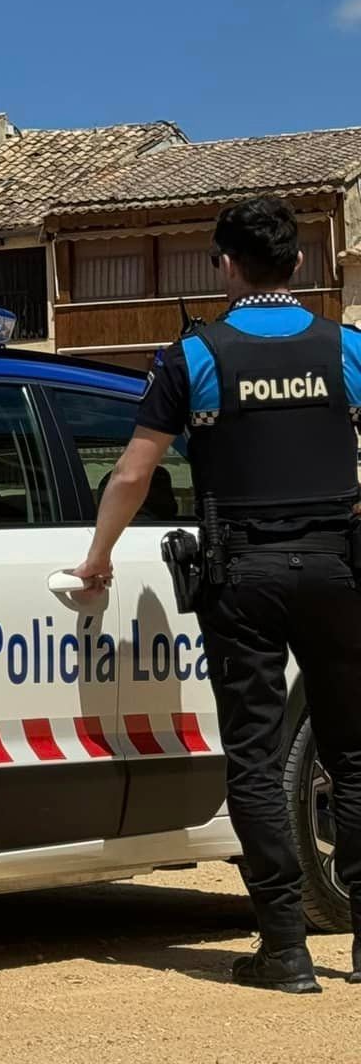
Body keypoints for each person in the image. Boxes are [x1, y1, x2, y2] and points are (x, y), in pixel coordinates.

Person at [75, 195, 361, 994]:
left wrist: (97, 559)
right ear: (298, 265)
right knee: (355, 753)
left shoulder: (193, 355)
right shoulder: (345, 348)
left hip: (243, 574)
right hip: (340, 568)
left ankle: (285, 949)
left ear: (224, 265)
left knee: (257, 759)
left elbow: (133, 473)